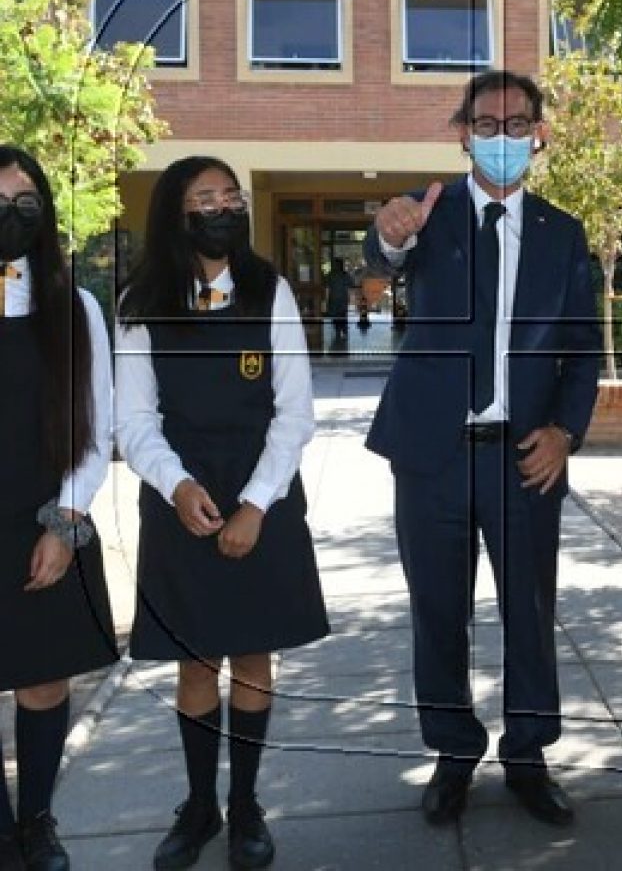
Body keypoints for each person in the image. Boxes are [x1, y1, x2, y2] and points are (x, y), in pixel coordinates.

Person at [364, 70, 601, 827]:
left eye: (518, 122)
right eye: (487, 123)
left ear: (540, 134)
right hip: (431, 452)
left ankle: (528, 755)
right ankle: (453, 753)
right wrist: (387, 238)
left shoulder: (563, 234)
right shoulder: (424, 212)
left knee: (530, 613)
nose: (503, 136)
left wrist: (565, 432)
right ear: (463, 133)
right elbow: (377, 272)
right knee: (438, 613)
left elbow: (583, 351)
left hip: (523, 458)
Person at [115, 156, 329, 871]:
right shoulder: (141, 301)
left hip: (261, 492)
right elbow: (133, 419)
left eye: (230, 196)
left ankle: (245, 806)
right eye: (204, 199)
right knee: (197, 660)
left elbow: (294, 413)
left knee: (254, 655)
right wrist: (176, 486)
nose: (222, 209)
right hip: (179, 496)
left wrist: (255, 505)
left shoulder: (270, 290)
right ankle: (200, 805)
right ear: (175, 214)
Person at [0, 145, 117, 871]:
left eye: (24, 203)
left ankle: (36, 822)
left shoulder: (77, 308)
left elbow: (97, 431)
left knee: (44, 682)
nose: (11, 216)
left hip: (46, 522)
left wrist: (63, 524)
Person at [324, 257, 353, 343]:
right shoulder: (345, 275)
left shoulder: (330, 275)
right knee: (343, 315)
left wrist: (326, 300)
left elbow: (327, 289)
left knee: (335, 315)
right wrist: (349, 298)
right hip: (343, 298)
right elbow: (349, 288)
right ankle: (344, 330)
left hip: (333, 298)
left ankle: (337, 331)